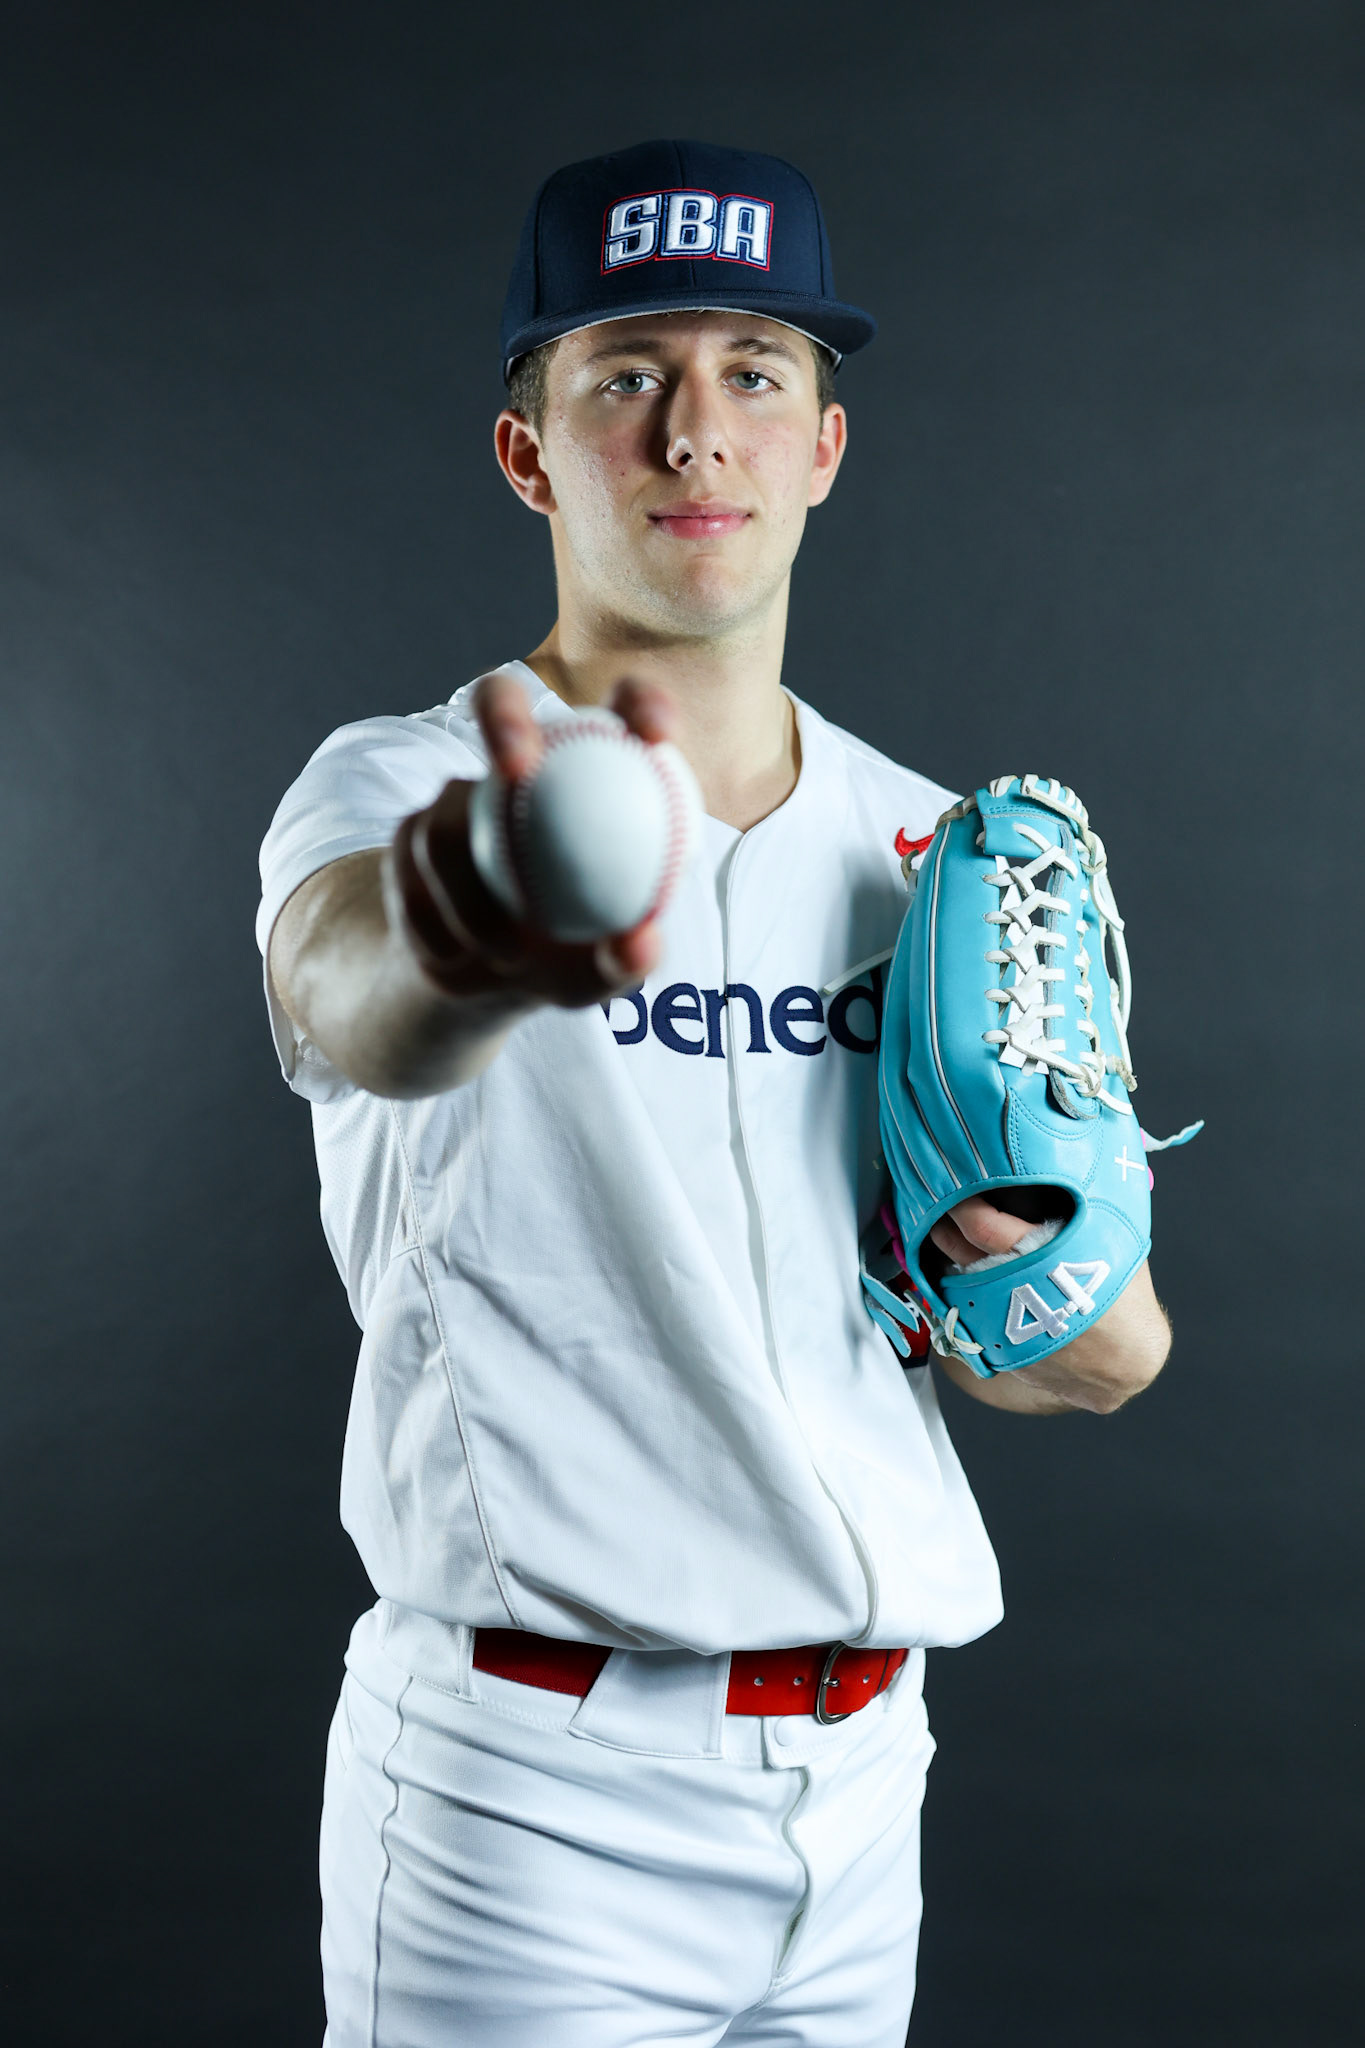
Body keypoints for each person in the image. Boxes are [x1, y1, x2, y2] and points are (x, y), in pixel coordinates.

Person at [257, 139, 1171, 2048]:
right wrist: (479, 926)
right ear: (531, 453)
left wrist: (1055, 1287)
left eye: (753, 372)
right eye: (624, 377)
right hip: (532, 1798)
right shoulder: (404, 794)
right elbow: (350, 998)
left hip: (862, 1793)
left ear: (822, 447)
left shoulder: (933, 852)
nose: (696, 433)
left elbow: (1059, 1359)